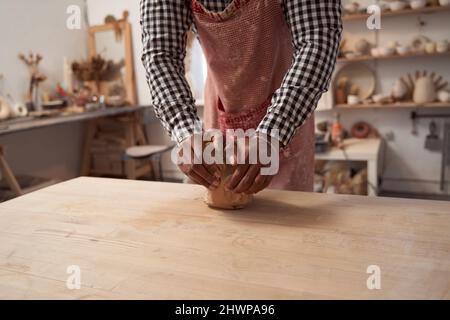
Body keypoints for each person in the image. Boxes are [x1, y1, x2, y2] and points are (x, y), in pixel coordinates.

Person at [140, 0, 342, 194]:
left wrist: (274, 132)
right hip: (221, 102)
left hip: (289, 108)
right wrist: (185, 131)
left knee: (285, 220)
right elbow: (161, 55)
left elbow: (317, 39)